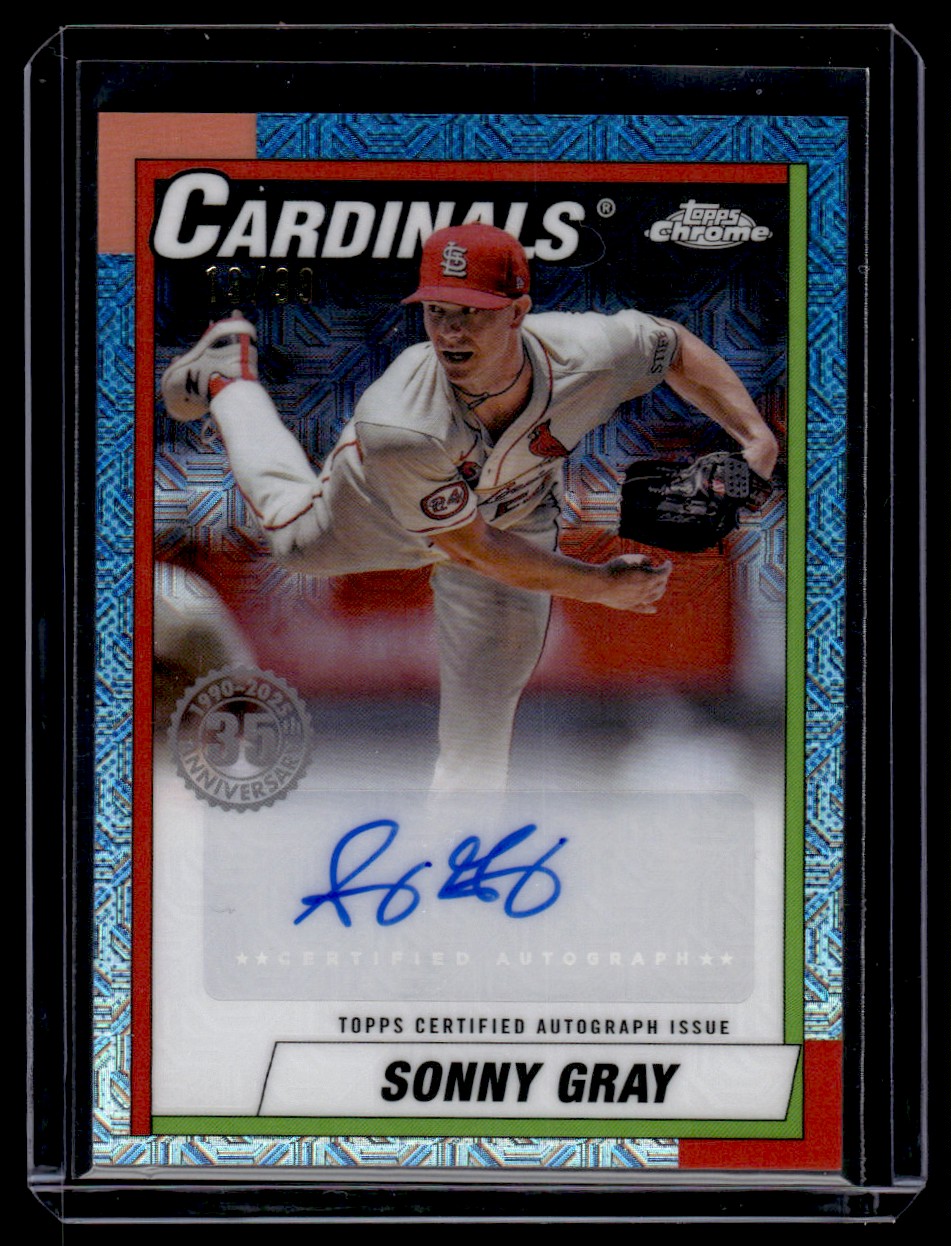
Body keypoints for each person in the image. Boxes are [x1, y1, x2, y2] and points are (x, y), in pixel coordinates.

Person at [161, 223, 778, 791]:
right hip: (383, 513)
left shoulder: (590, 351)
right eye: (438, 311)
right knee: (293, 540)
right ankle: (228, 380)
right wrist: (597, 584)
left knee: (482, 730)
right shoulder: (402, 423)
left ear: (517, 312)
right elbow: (474, 548)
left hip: (514, 511)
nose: (451, 331)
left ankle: (460, 855)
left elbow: (672, 346)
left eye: (472, 313)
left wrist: (754, 438)